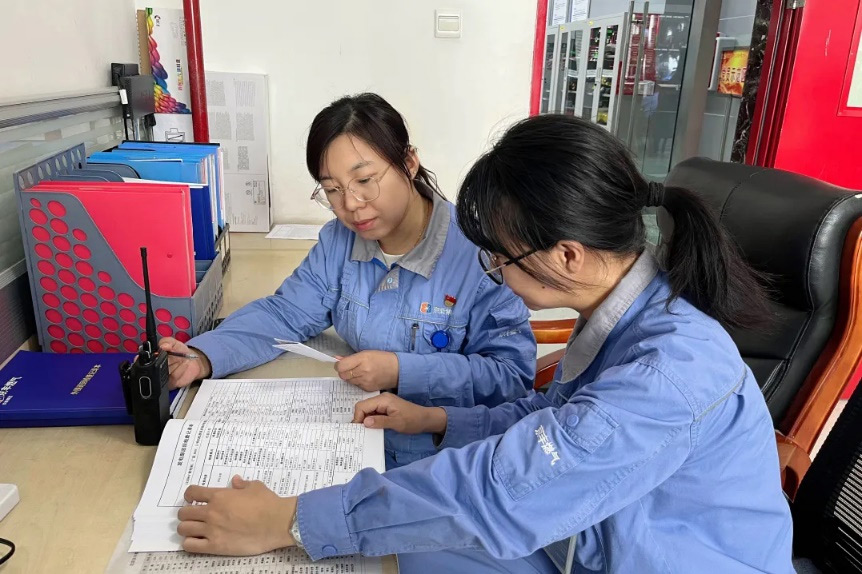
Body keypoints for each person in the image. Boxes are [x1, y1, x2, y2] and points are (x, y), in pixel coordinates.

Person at [174, 115, 794, 573]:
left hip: (626, 550)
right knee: (403, 548)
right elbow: (549, 419)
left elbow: (508, 487)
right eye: (332, 189)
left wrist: (292, 519)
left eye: (499, 258)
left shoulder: (667, 371)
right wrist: (439, 420)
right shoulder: (626, 315)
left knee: (391, 540)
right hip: (591, 533)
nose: (491, 269)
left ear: (567, 255)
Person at [159, 93, 537, 469]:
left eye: (365, 180)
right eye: (332, 190)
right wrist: (204, 356)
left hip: (440, 460)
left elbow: (510, 376)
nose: (351, 204)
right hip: (353, 440)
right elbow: (285, 314)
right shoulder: (339, 240)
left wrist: (402, 370)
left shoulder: (483, 255)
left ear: (408, 163)